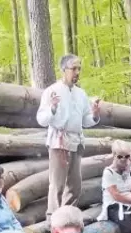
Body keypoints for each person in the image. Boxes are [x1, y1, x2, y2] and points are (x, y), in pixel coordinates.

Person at [36, 54, 101, 217]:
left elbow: (85, 120)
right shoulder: (51, 91)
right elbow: (41, 120)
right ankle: (53, 218)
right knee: (57, 184)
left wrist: (94, 115)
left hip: (77, 141)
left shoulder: (81, 93)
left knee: (75, 185)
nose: (77, 72)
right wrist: (52, 109)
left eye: (79, 68)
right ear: (64, 70)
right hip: (59, 141)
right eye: (74, 68)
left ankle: (67, 217)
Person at [97, 140, 131, 233]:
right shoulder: (109, 172)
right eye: (120, 156)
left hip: (130, 202)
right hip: (114, 205)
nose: (123, 159)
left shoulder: (129, 169)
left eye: (127, 156)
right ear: (114, 155)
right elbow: (116, 195)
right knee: (129, 224)